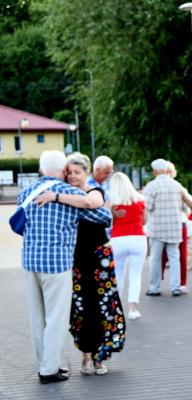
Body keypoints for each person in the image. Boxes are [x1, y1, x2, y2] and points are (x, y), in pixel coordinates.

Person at [21, 150, 111, 384]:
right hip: (56, 263)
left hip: (29, 261)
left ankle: (44, 363)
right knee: (56, 318)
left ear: (42, 169)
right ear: (62, 170)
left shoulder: (26, 193)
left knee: (37, 318)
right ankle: (49, 369)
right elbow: (104, 216)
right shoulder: (70, 193)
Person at [37, 152, 126, 375]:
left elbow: (91, 202)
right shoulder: (66, 192)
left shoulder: (92, 191)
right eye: (69, 172)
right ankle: (86, 356)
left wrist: (54, 197)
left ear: (86, 173)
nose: (73, 176)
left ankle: (100, 358)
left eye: (78, 172)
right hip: (76, 256)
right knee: (80, 306)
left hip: (99, 256)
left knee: (102, 304)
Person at [144, 158, 192, 297]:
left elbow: (148, 207)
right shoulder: (177, 185)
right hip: (175, 228)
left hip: (157, 229)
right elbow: (190, 205)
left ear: (155, 171)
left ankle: (154, 288)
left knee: (155, 259)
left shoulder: (151, 186)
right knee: (174, 258)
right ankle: (176, 287)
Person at [109, 172, 147, 320]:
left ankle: (115, 310)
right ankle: (133, 309)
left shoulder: (111, 203)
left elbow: (106, 222)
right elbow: (143, 221)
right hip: (137, 238)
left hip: (117, 239)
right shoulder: (140, 200)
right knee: (135, 275)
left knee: (117, 274)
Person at [160, 161, 192, 294]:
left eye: (170, 171)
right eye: (166, 171)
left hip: (179, 223)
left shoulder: (179, 187)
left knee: (181, 254)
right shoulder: (156, 187)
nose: (168, 173)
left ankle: (181, 283)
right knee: (160, 254)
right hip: (162, 224)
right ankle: (157, 280)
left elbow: (191, 205)